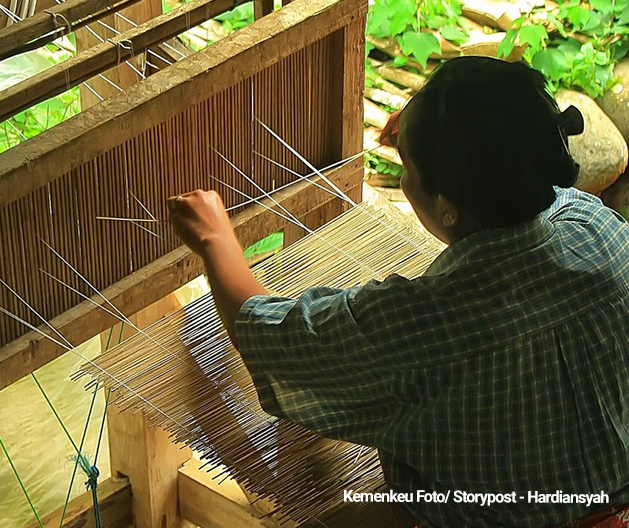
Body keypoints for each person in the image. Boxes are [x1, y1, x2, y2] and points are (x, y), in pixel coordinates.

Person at [167, 56, 629, 528]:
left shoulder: (432, 320)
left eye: (406, 167)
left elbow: (278, 341)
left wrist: (216, 241)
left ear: (448, 208)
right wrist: (429, 134)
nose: (401, 174)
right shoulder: (602, 232)